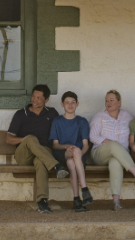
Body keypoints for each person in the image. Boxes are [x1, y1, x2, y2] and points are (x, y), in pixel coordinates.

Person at [6, 84, 69, 214]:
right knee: (31, 138)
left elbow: (60, 132)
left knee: (41, 162)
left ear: (46, 100)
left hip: (42, 154)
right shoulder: (21, 114)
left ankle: (42, 201)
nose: (34, 100)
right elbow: (9, 139)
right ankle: (56, 166)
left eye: (39, 98)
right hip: (24, 155)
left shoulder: (51, 113)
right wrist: (24, 140)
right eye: (33, 96)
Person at [89, 90, 135, 211]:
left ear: (119, 102)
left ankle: (116, 201)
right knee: (114, 145)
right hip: (100, 153)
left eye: (112, 100)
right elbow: (92, 137)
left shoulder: (128, 117)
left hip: (120, 156)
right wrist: (109, 142)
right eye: (106, 100)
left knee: (116, 163)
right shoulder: (99, 116)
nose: (108, 102)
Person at [49, 91, 93, 212]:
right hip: (62, 154)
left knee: (71, 163)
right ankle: (84, 188)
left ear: (77, 104)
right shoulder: (57, 121)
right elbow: (55, 145)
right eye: (67, 102)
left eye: (73, 102)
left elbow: (85, 145)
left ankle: (76, 199)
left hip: (78, 156)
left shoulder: (82, 121)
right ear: (62, 104)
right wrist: (67, 147)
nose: (70, 105)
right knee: (73, 153)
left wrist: (77, 155)